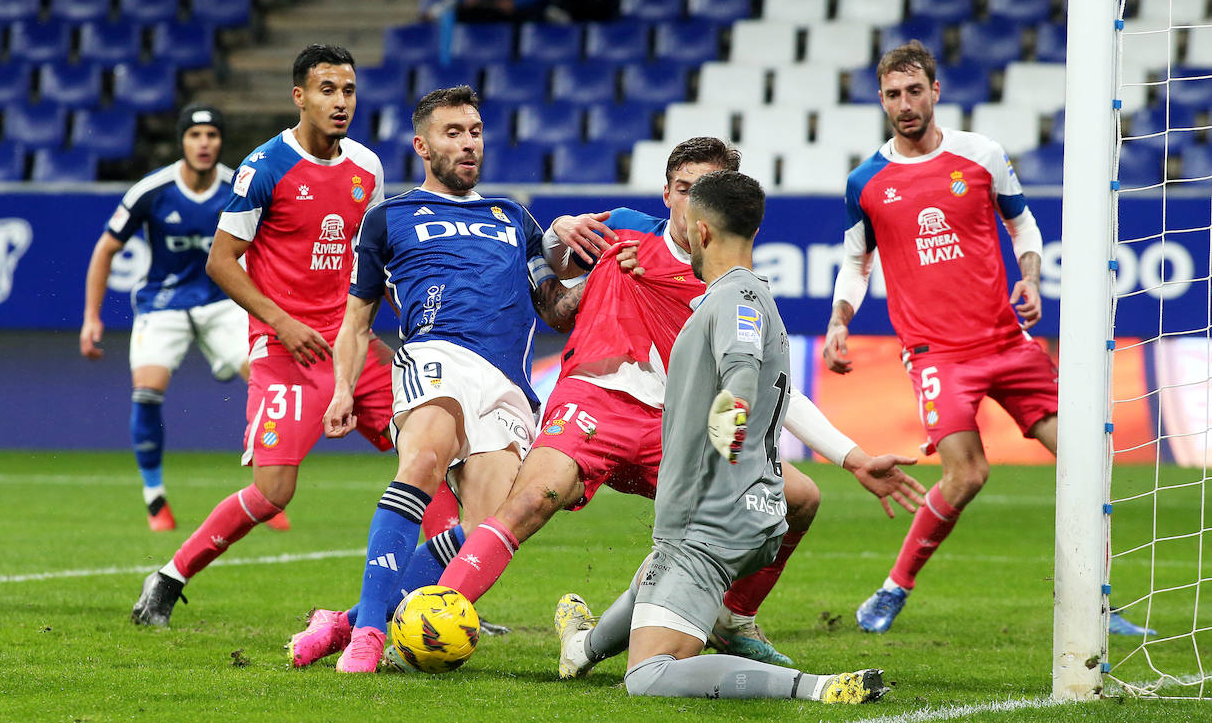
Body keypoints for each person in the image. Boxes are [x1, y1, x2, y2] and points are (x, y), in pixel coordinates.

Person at [436, 137, 924, 669]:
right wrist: (559, 231)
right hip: (597, 397)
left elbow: (768, 383)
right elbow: (548, 271)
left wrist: (852, 457)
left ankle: (731, 619)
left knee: (798, 497)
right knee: (534, 497)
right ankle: (438, 616)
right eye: (684, 190)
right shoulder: (622, 230)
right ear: (667, 193)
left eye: (704, 193)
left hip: (678, 428)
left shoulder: (726, 287)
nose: (692, 206)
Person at [825, 41, 1155, 639]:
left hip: (1008, 343)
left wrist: (1029, 277)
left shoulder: (981, 156)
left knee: (1085, 460)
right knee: (967, 475)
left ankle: (1095, 603)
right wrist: (839, 320)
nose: (905, 104)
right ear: (881, 99)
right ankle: (896, 586)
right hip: (937, 355)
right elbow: (856, 261)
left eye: (915, 91)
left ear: (935, 91)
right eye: (894, 94)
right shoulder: (867, 182)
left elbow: (1021, 222)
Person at [552, 170, 888, 703]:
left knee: (649, 676)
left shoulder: (733, 300)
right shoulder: (748, 296)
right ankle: (584, 647)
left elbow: (741, 370)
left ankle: (815, 688)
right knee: (655, 575)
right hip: (751, 511)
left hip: (708, 523)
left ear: (701, 232)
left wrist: (728, 423)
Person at [290, 84, 582, 672]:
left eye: (475, 131)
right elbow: (356, 319)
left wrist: (602, 273)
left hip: (506, 383)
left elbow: (554, 309)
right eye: (454, 132)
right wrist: (344, 387)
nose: (469, 143)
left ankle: (342, 622)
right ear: (423, 145)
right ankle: (371, 636)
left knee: (482, 530)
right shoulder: (388, 217)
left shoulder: (513, 217)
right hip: (435, 353)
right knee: (422, 460)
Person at [129, 45, 411, 627]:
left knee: (425, 456)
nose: (340, 102)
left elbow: (373, 256)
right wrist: (280, 321)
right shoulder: (264, 168)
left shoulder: (367, 168)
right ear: (299, 96)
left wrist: (400, 314)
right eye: (327, 89)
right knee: (272, 492)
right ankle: (169, 577)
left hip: (351, 345)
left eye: (349, 91)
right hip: (286, 349)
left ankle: (441, 599)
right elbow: (222, 261)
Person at [80, 105, 252, 532]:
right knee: (147, 390)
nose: (204, 143)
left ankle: (266, 489)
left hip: (222, 302)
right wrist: (91, 317)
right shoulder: (152, 190)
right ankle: (155, 498)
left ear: (220, 141)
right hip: (164, 303)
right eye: (196, 135)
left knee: (264, 381)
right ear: (183, 142)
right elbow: (105, 249)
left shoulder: (239, 188)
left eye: (212, 135)